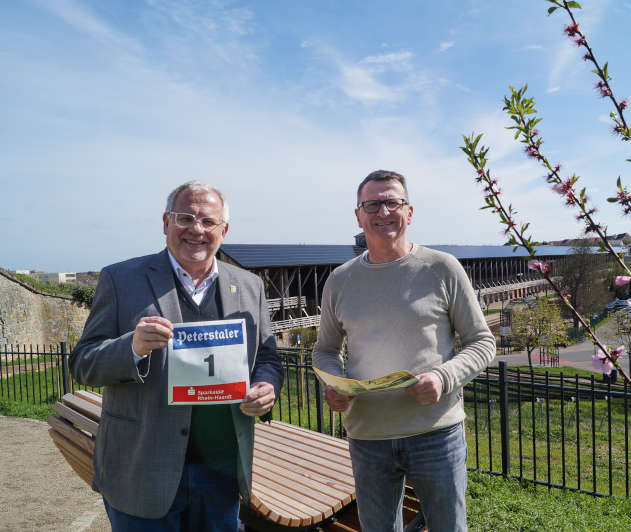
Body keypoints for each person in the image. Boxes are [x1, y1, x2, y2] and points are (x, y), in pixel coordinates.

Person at [70, 181, 283, 531]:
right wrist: (133, 347)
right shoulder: (122, 279)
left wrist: (266, 385)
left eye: (208, 221)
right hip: (142, 470)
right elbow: (83, 363)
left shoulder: (248, 285)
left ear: (223, 231)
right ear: (166, 222)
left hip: (222, 472)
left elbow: (267, 358)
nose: (196, 229)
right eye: (186, 218)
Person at [312, 170, 496, 532]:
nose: (383, 212)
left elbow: (482, 341)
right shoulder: (340, 280)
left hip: (435, 433)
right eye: (372, 204)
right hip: (368, 436)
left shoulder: (442, 268)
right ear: (359, 215)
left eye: (392, 202)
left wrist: (443, 378)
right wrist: (334, 385)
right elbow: (325, 349)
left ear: (409, 212)